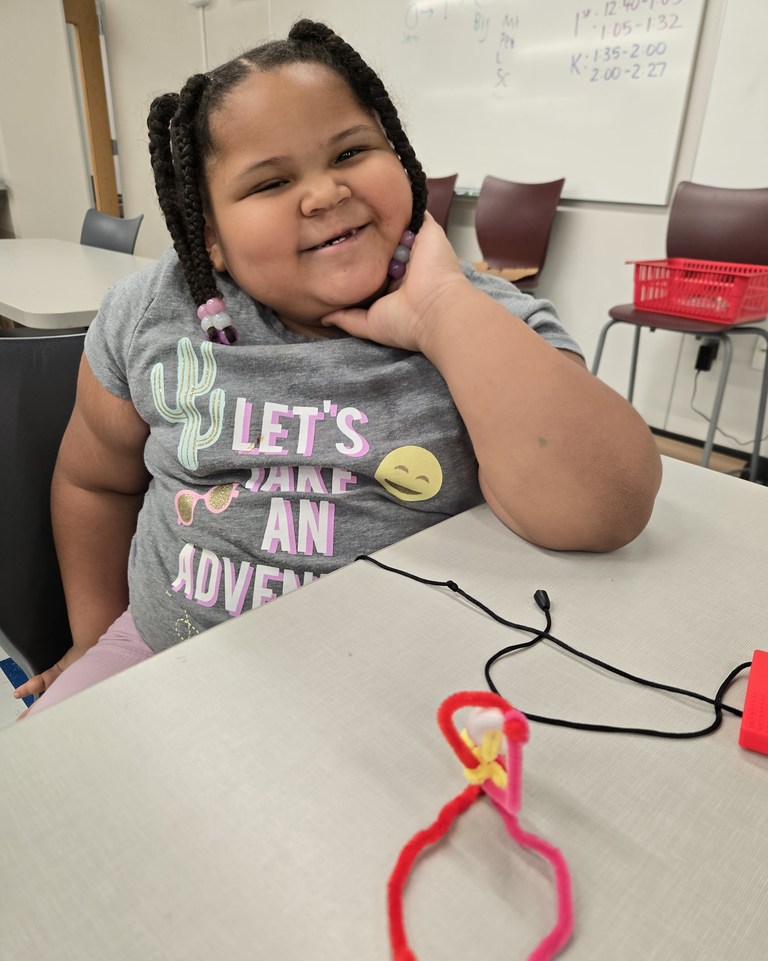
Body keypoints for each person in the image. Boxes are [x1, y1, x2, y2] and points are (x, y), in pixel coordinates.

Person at [17, 19, 661, 718]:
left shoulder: (483, 323)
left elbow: (608, 507)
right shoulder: (155, 315)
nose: (324, 194)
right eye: (270, 182)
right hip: (157, 652)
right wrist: (93, 639)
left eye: (351, 151)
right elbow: (93, 480)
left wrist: (441, 311)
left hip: (397, 693)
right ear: (212, 239)